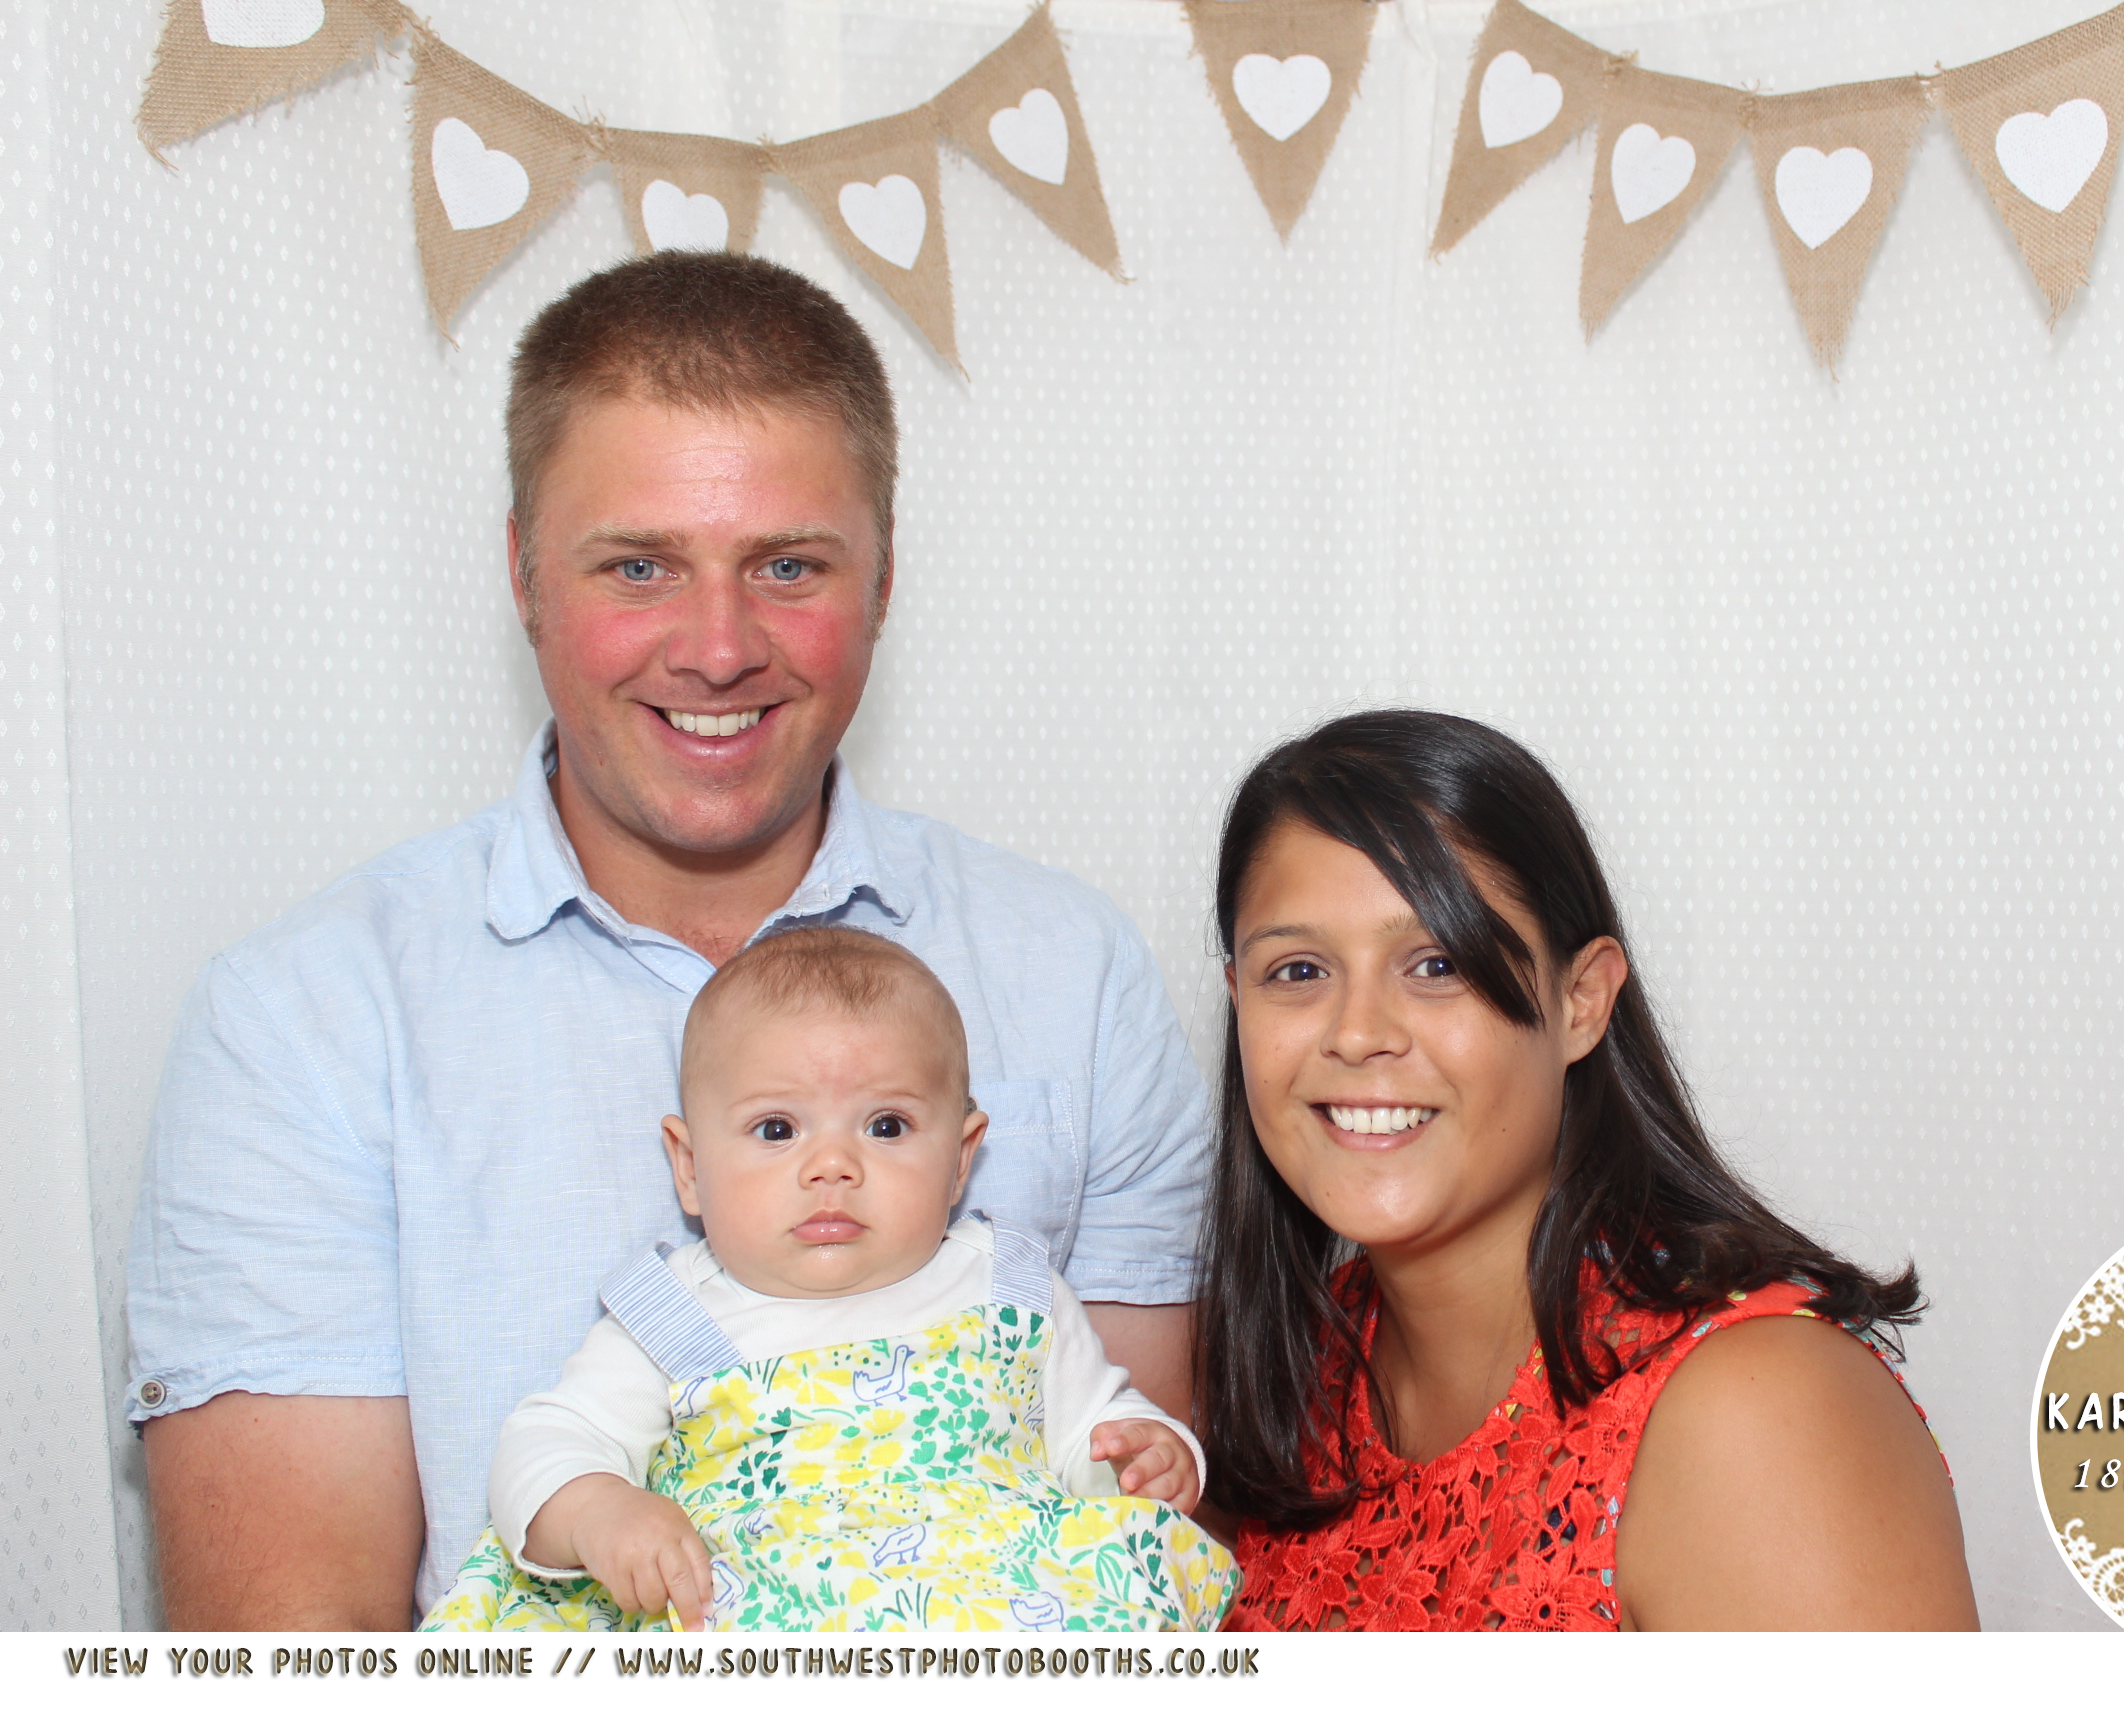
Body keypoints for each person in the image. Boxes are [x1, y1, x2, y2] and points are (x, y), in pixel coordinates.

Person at [125, 253, 1207, 1629]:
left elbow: (1134, 1560)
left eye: (789, 566)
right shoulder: (303, 1022)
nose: (716, 647)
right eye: (638, 565)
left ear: (884, 576)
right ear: (523, 571)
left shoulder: (1082, 977)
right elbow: (293, 1660)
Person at [1195, 711, 1980, 1630]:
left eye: (1437, 963)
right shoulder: (1290, 1385)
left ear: (1583, 1000)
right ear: (1237, 1002)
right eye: (1296, 971)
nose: (1358, 1033)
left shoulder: (1755, 1412)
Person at [424, 929, 1235, 1634]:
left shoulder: (1007, 1290)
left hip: (991, 1605)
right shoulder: (673, 1316)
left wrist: (1148, 1454)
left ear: (960, 1156)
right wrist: (601, 1510)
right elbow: (545, 1443)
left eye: (886, 1127)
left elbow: (1092, 1432)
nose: (833, 1167)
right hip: (756, 1605)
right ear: (690, 1168)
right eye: (776, 1130)